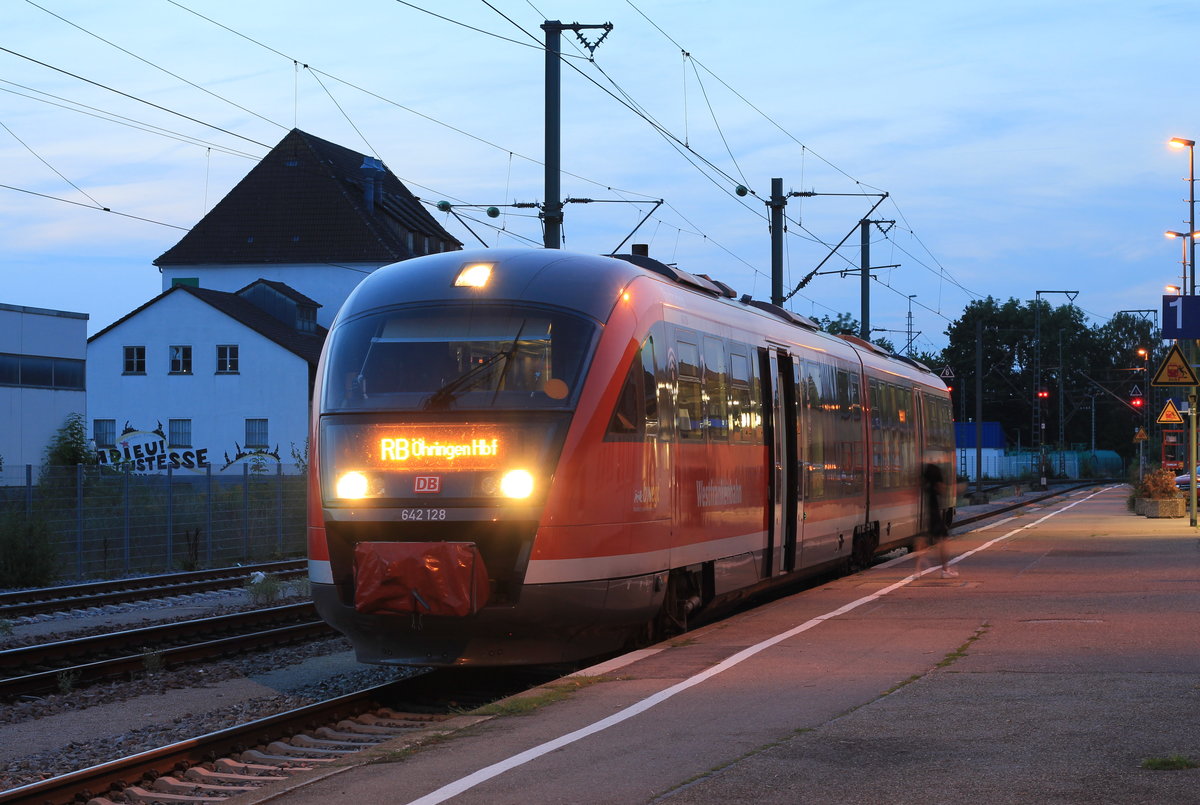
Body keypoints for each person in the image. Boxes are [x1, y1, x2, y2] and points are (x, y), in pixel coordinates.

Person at [916, 461, 957, 578]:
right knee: (943, 541)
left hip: (927, 514)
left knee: (923, 539)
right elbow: (943, 490)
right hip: (935, 515)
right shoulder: (936, 484)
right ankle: (945, 570)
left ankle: (917, 569)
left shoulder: (926, 485)